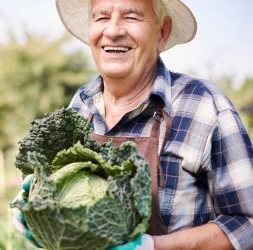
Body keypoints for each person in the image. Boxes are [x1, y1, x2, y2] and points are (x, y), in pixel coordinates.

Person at [13, 0, 253, 249]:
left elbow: (247, 222)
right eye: (101, 17)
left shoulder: (202, 104)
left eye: (131, 16)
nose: (113, 31)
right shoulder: (80, 105)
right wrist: (35, 205)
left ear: (162, 33)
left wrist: (153, 247)